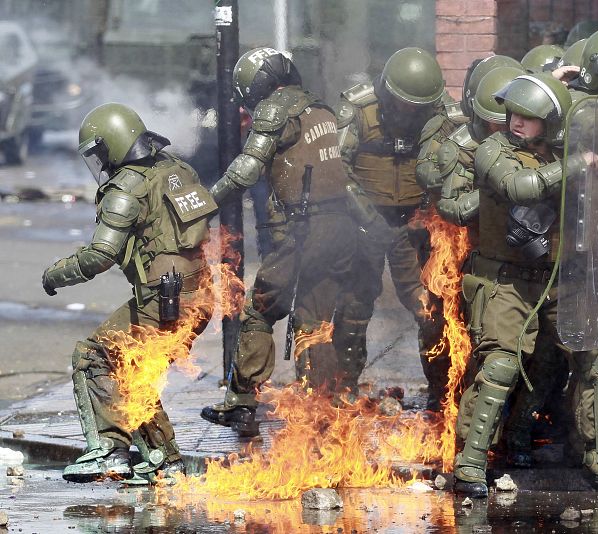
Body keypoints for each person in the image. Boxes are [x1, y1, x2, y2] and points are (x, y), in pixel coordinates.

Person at [453, 72, 598, 496]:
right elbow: (520, 186)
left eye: (529, 118)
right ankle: (470, 463)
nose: (516, 123)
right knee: (499, 366)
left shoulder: (565, 147)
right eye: (513, 114)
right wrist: (574, 165)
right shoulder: (494, 150)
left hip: (561, 278)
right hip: (505, 281)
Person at [42, 103, 217, 483]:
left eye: (99, 152)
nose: (99, 162)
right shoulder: (176, 169)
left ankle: (108, 450)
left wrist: (54, 276)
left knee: (93, 355)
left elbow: (99, 255)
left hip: (164, 302)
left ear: (113, 144)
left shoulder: (127, 187)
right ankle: (164, 460)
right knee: (132, 365)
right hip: (200, 296)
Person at [200, 47, 360, 435]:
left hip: (305, 233)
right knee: (314, 322)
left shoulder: (275, 110)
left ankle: (240, 402)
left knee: (259, 310)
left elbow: (244, 172)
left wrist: (203, 204)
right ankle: (320, 407)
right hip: (342, 230)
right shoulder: (321, 109)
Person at [335, 47, 450, 410]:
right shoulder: (358, 109)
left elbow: (455, 162)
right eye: (402, 104)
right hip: (364, 221)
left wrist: (429, 212)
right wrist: (366, 216)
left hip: (415, 222)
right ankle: (346, 384)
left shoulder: (441, 110)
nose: (408, 113)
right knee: (355, 304)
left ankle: (441, 388)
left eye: (417, 107)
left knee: (427, 305)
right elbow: (336, 166)